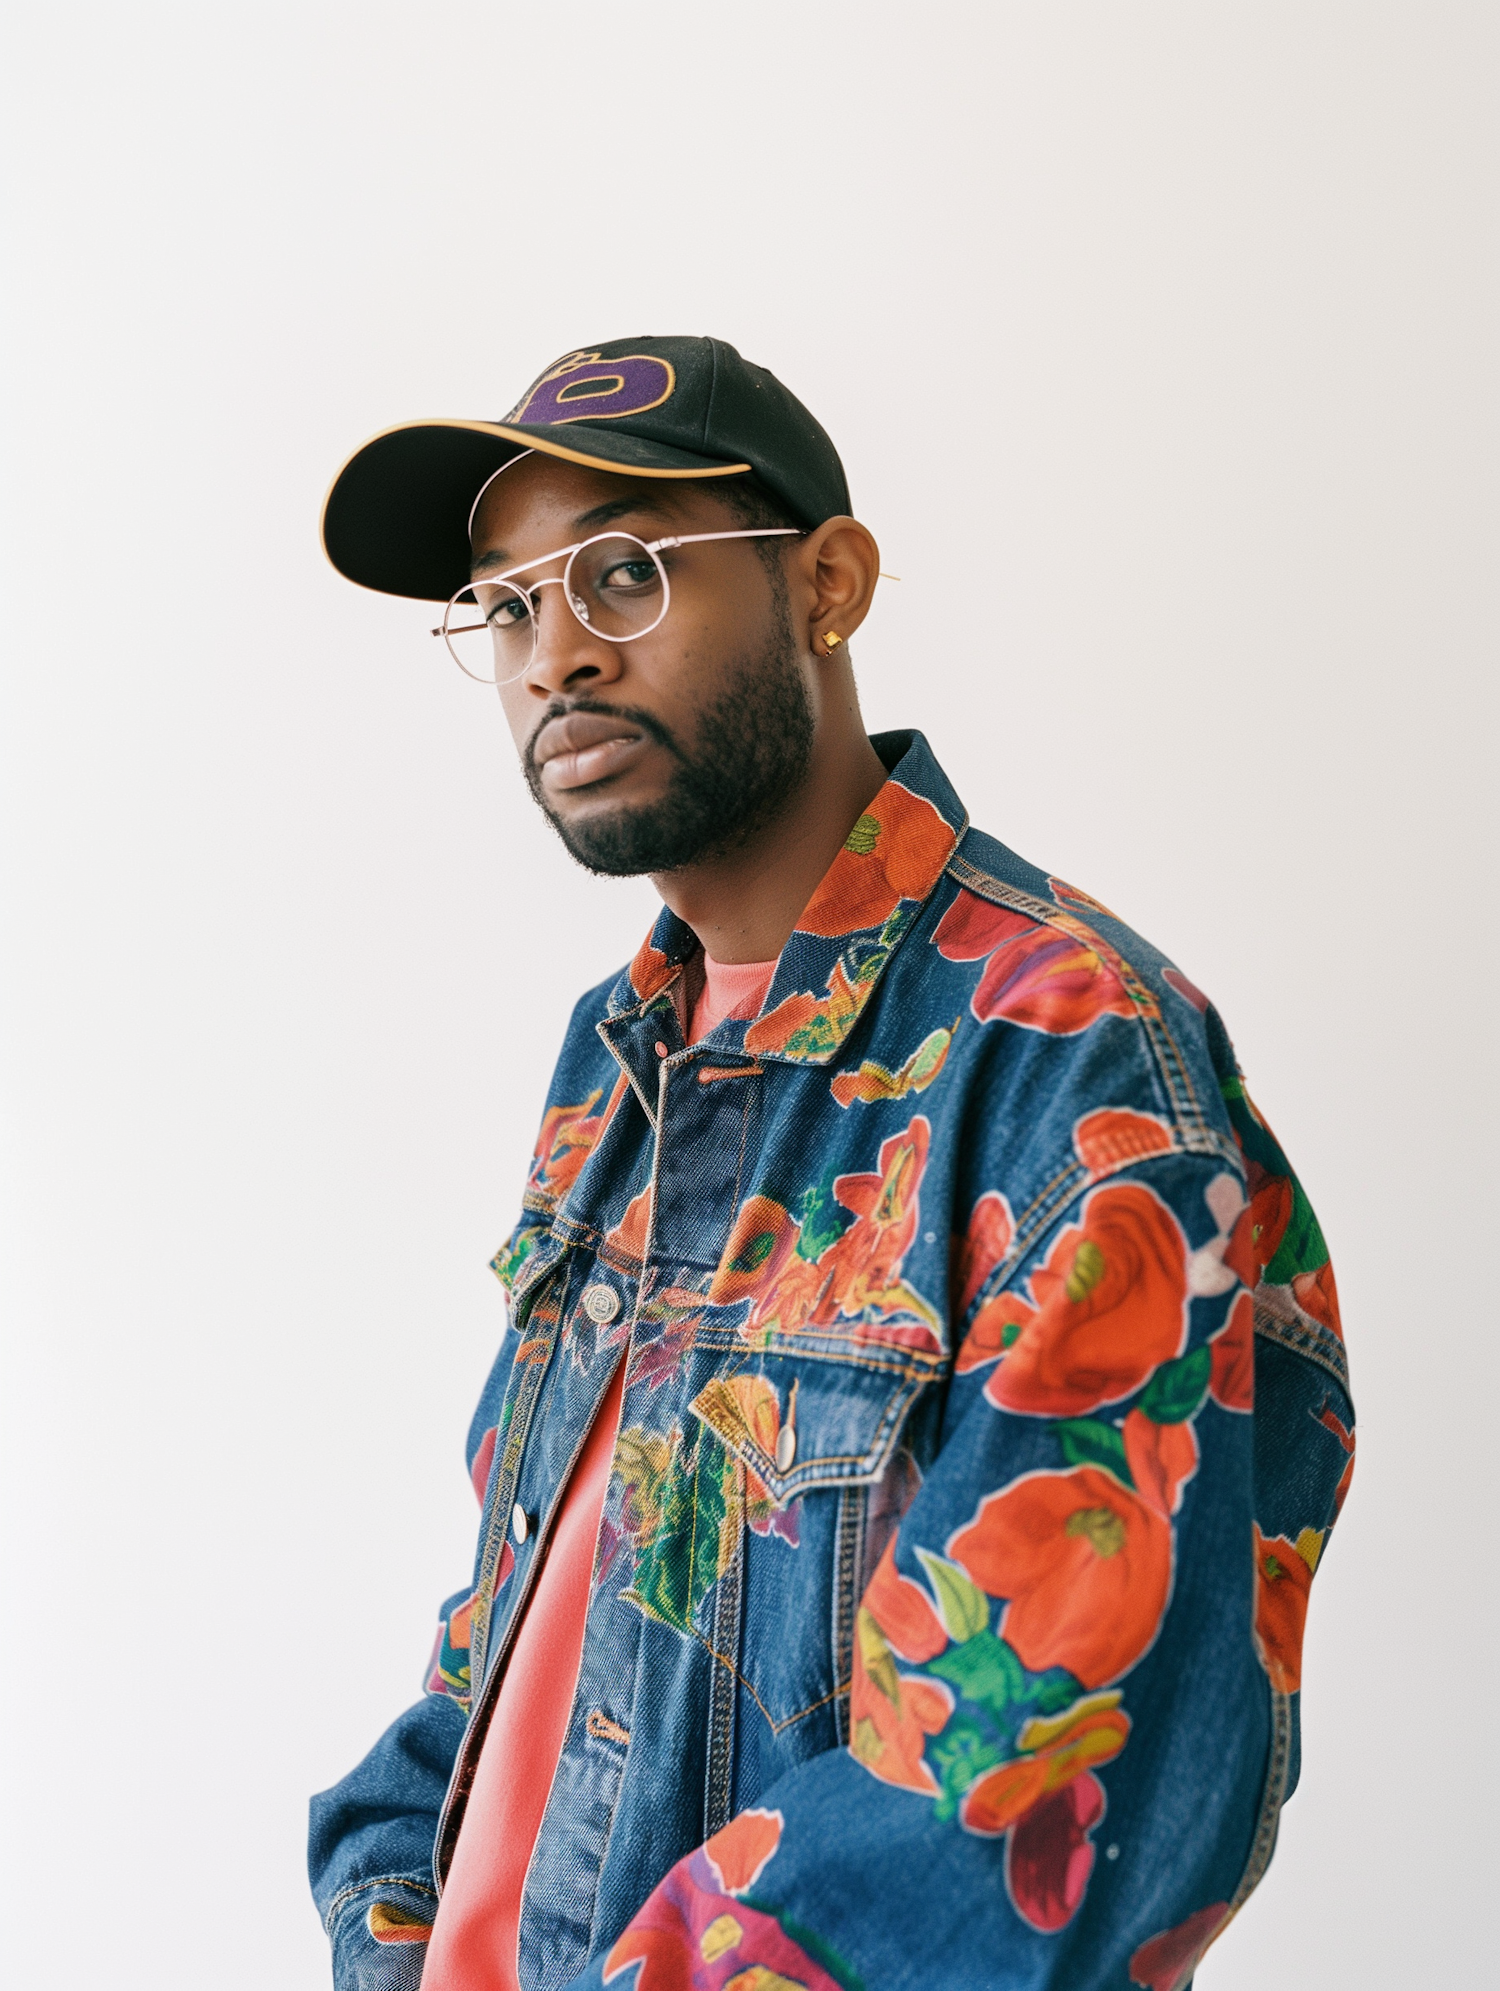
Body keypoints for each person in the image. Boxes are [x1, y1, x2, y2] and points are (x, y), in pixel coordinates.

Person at [309, 336, 1355, 1991]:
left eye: (626, 573)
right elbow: (517, 1625)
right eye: (506, 606)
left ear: (829, 586)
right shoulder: (619, 1054)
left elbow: (1045, 1793)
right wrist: (388, 1920)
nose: (555, 655)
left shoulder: (1077, 1064)